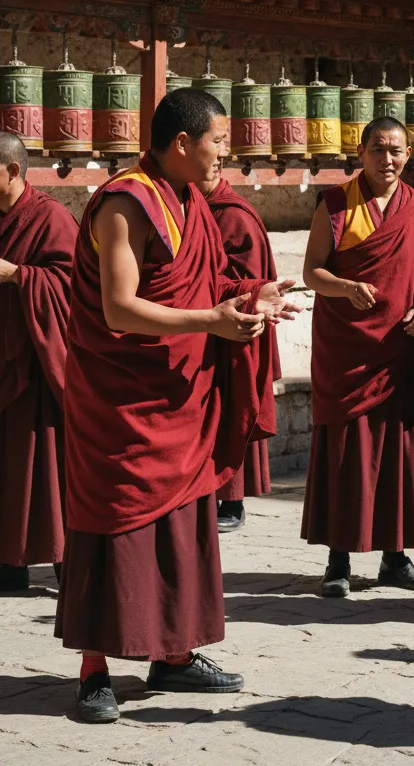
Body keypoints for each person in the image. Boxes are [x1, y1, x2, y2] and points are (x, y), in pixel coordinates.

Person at [55, 89, 295, 724]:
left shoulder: (191, 200)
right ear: (183, 144)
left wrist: (248, 297)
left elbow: (202, 280)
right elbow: (119, 306)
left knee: (183, 528)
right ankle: (93, 669)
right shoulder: (124, 203)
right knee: (114, 523)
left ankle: (175, 654)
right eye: (219, 141)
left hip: (179, 395)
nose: (227, 153)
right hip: (121, 402)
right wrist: (211, 321)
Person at [301, 117, 414, 598]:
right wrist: (346, 287)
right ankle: (338, 560)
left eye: (394, 151)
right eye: (376, 149)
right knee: (345, 454)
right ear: (360, 152)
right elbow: (312, 272)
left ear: (408, 156)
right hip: (349, 350)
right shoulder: (334, 204)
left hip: (399, 353)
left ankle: (395, 557)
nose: (385, 159)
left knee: (399, 454)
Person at [0, 132, 77, 591]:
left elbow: (73, 286)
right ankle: (9, 564)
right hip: (5, 362)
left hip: (39, 367)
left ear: (12, 171)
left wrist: (16, 274)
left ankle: (67, 562)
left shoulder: (50, 218)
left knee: (45, 469)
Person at [200, 175, 283, 532]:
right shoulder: (189, 207)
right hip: (201, 324)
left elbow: (249, 277)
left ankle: (232, 501)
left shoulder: (234, 215)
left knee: (234, 407)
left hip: (237, 331)